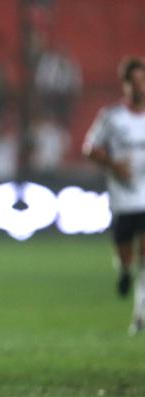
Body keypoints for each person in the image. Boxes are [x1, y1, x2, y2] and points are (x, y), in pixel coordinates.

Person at [83, 56, 145, 335]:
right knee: (126, 256)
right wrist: (114, 165)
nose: (140, 86)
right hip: (123, 199)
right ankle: (122, 271)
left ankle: (140, 315)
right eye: (135, 81)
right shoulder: (111, 117)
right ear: (125, 84)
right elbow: (90, 148)